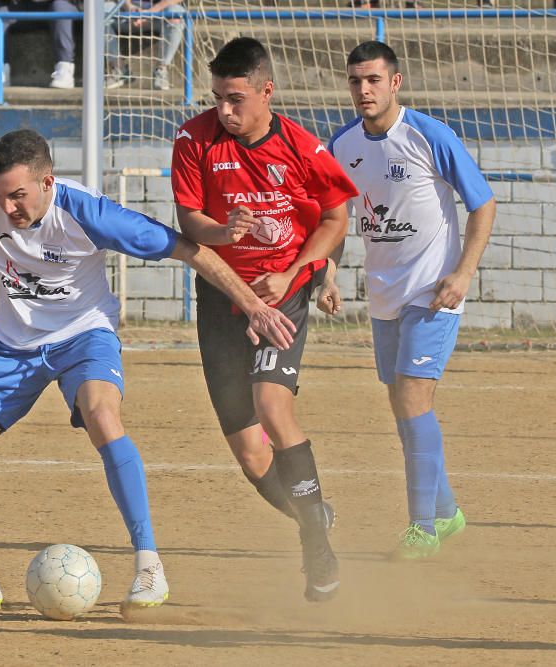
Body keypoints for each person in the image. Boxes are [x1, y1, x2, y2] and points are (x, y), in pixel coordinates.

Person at [0, 129, 297, 613]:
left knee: (102, 414)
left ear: (47, 182)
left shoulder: (91, 214)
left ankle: (149, 569)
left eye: (18, 196)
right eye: (0, 194)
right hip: (12, 342)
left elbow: (192, 252)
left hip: (83, 334)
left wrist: (253, 306)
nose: (7, 207)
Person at [171, 37, 358, 602]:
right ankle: (312, 517)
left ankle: (316, 552)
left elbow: (335, 218)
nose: (225, 111)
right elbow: (189, 219)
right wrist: (222, 231)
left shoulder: (304, 148)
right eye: (218, 99)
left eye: (236, 98)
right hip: (219, 300)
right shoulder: (193, 138)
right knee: (252, 455)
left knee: (272, 408)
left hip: (282, 296)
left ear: (266, 91)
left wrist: (301, 272)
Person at [326, 41, 496, 559]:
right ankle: (446, 514)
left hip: (433, 291)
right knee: (402, 405)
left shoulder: (428, 135)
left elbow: (483, 203)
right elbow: (334, 218)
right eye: (356, 81)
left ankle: (422, 528)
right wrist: (328, 274)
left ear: (395, 82)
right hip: (384, 296)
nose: (364, 90)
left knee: (412, 399)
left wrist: (463, 273)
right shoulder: (341, 144)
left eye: (373, 80)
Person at [0, 0, 80, 90]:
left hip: (57, 5)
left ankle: (64, 69)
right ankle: (0, 70)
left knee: (60, 6)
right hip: (19, 6)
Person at [104, 0, 186, 91]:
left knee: (176, 13)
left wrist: (151, 12)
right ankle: (119, 70)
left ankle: (161, 70)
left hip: (159, 12)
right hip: (128, 13)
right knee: (100, 11)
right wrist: (129, 7)